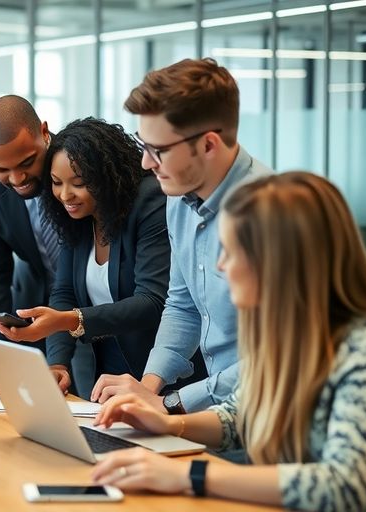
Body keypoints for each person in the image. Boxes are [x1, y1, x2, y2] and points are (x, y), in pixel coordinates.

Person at [89, 172, 366, 510]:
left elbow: (343, 487)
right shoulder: (295, 336)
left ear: (276, 265)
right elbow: (240, 416)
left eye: (232, 252)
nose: (221, 265)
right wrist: (168, 422)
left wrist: (188, 475)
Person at [90, 58, 270, 414]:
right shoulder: (178, 200)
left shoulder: (271, 215)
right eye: (144, 145)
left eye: (158, 150)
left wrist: (171, 404)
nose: (145, 163)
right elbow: (183, 305)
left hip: (270, 419)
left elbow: (276, 359)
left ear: (208, 145)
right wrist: (146, 389)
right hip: (222, 416)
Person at [0, 117, 170, 399]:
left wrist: (68, 320)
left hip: (161, 377)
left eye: (79, 183)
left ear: (107, 176)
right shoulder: (77, 218)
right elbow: (64, 293)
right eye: (55, 182)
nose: (65, 195)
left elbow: (151, 302)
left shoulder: (148, 202)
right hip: (109, 376)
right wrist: (58, 363)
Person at [0, 95, 60, 390]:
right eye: (1, 169)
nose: (17, 178)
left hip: (96, 306)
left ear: (44, 133)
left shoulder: (74, 163)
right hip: (33, 305)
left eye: (27, 162)